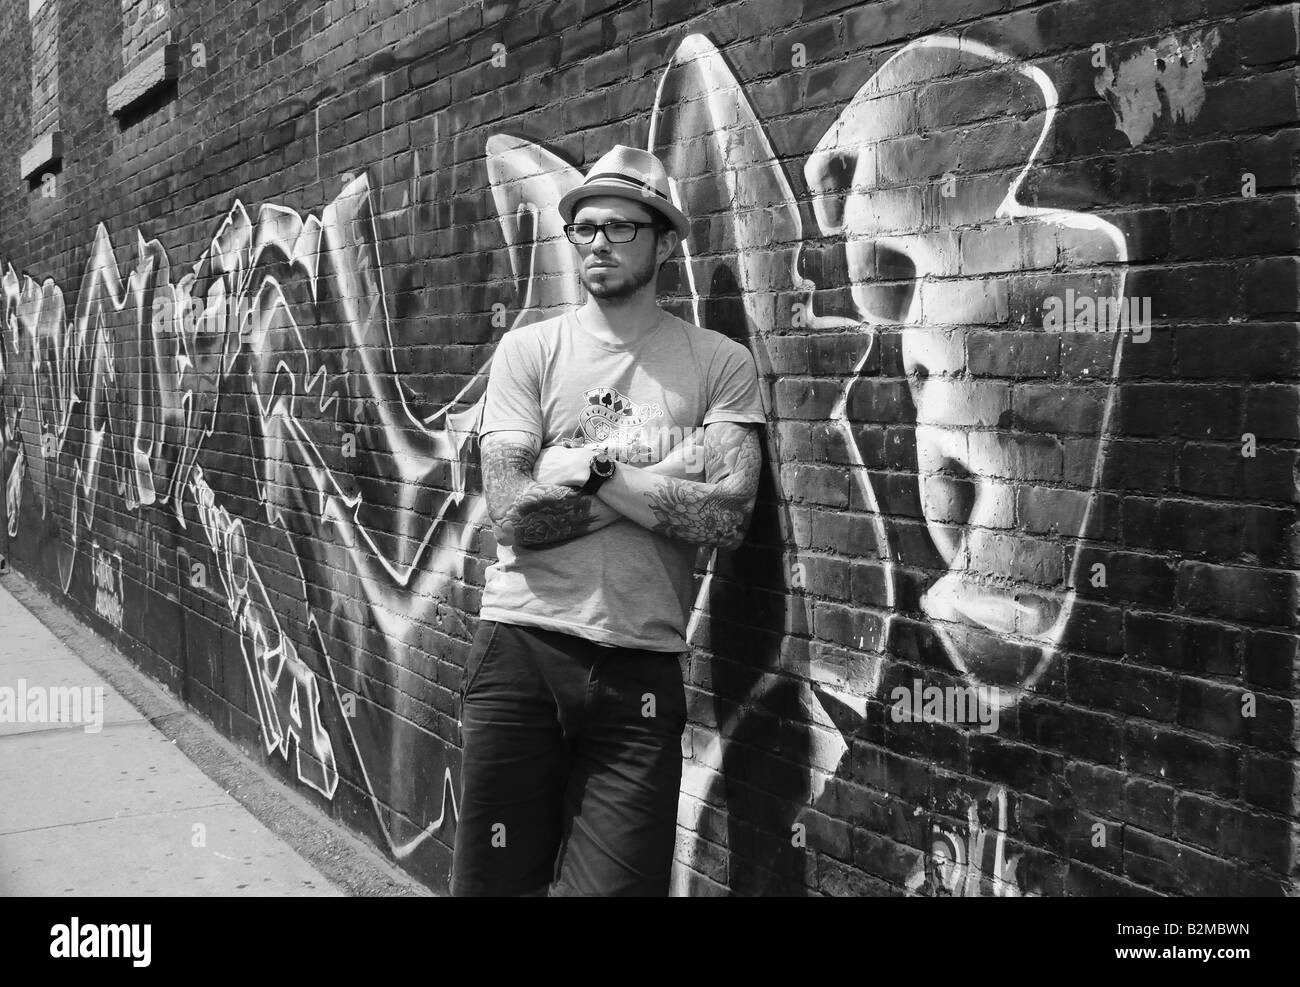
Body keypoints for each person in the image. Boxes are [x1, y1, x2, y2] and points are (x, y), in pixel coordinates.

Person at [451, 145, 765, 896]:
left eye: (620, 227)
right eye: (584, 227)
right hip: (522, 649)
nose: (597, 242)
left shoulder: (720, 363)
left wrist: (590, 467)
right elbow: (514, 516)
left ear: (662, 241)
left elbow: (725, 519)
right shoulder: (529, 351)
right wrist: (660, 483)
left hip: (640, 670)